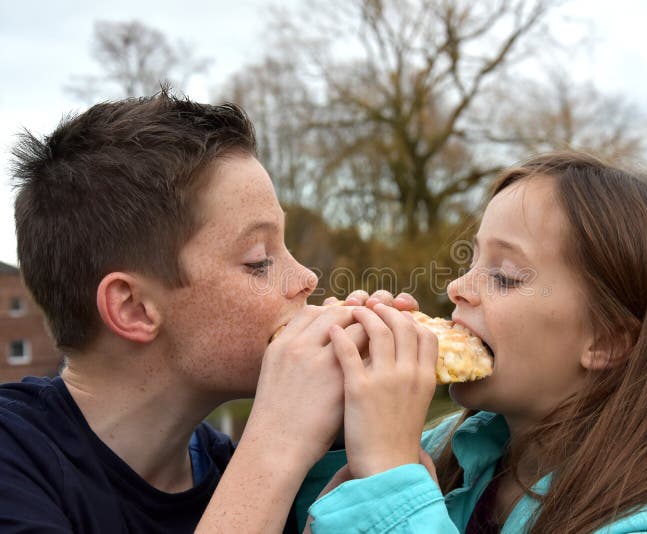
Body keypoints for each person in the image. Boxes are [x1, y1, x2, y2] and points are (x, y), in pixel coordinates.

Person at [1, 90, 425, 533]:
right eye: (260, 260)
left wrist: (366, 460)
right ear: (135, 308)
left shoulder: (233, 474)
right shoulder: (15, 465)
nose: (307, 278)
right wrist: (278, 441)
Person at [301, 152, 647, 533]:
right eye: (473, 260)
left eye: (504, 276)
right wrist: (340, 424)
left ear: (608, 340)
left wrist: (390, 478)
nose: (456, 288)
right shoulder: (453, 447)